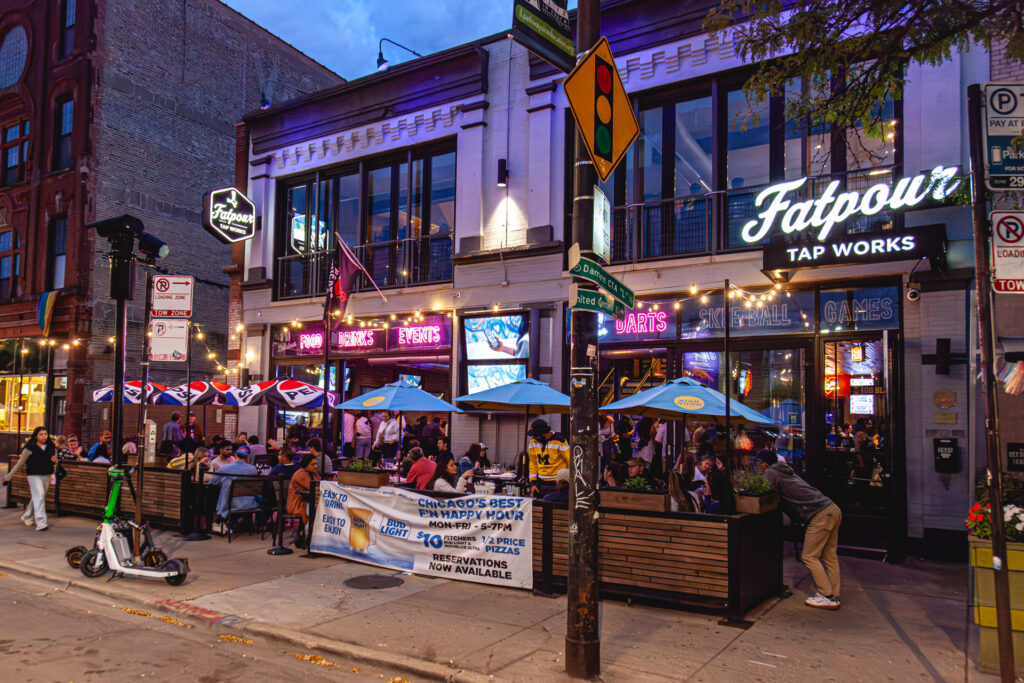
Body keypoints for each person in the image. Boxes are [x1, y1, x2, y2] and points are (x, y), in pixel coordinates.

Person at [758, 450, 842, 610]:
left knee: (809, 556)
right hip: (832, 508)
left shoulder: (771, 472)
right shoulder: (785, 469)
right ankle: (834, 596)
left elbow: (763, 492)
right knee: (830, 557)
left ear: (763, 463)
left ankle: (826, 595)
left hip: (820, 514)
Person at [2, 427, 56, 531]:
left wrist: (54, 465)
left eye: (45, 434)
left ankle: (27, 516)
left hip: (47, 475)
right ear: (36, 436)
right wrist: (8, 476)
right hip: (33, 475)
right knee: (39, 496)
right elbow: (19, 464)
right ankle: (41, 522)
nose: (44, 436)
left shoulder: (51, 447)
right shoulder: (29, 449)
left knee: (38, 497)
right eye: (41, 434)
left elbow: (54, 461)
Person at [209, 447, 259, 523]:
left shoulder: (224, 468)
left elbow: (213, 482)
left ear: (235, 454)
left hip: (229, 504)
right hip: (249, 504)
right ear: (247, 457)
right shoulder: (253, 470)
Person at [526, 419, 569, 496]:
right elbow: (533, 463)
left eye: (536, 435)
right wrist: (533, 483)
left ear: (544, 433)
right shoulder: (533, 442)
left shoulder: (560, 441)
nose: (534, 437)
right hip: (540, 484)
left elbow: (571, 460)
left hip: (557, 483)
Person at [288, 453, 321, 532]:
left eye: (316, 464)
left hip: (307, 501)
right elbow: (314, 488)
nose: (315, 466)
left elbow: (320, 485)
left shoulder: (313, 473)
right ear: (306, 464)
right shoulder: (300, 475)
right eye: (313, 464)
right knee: (319, 509)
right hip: (298, 504)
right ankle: (307, 535)